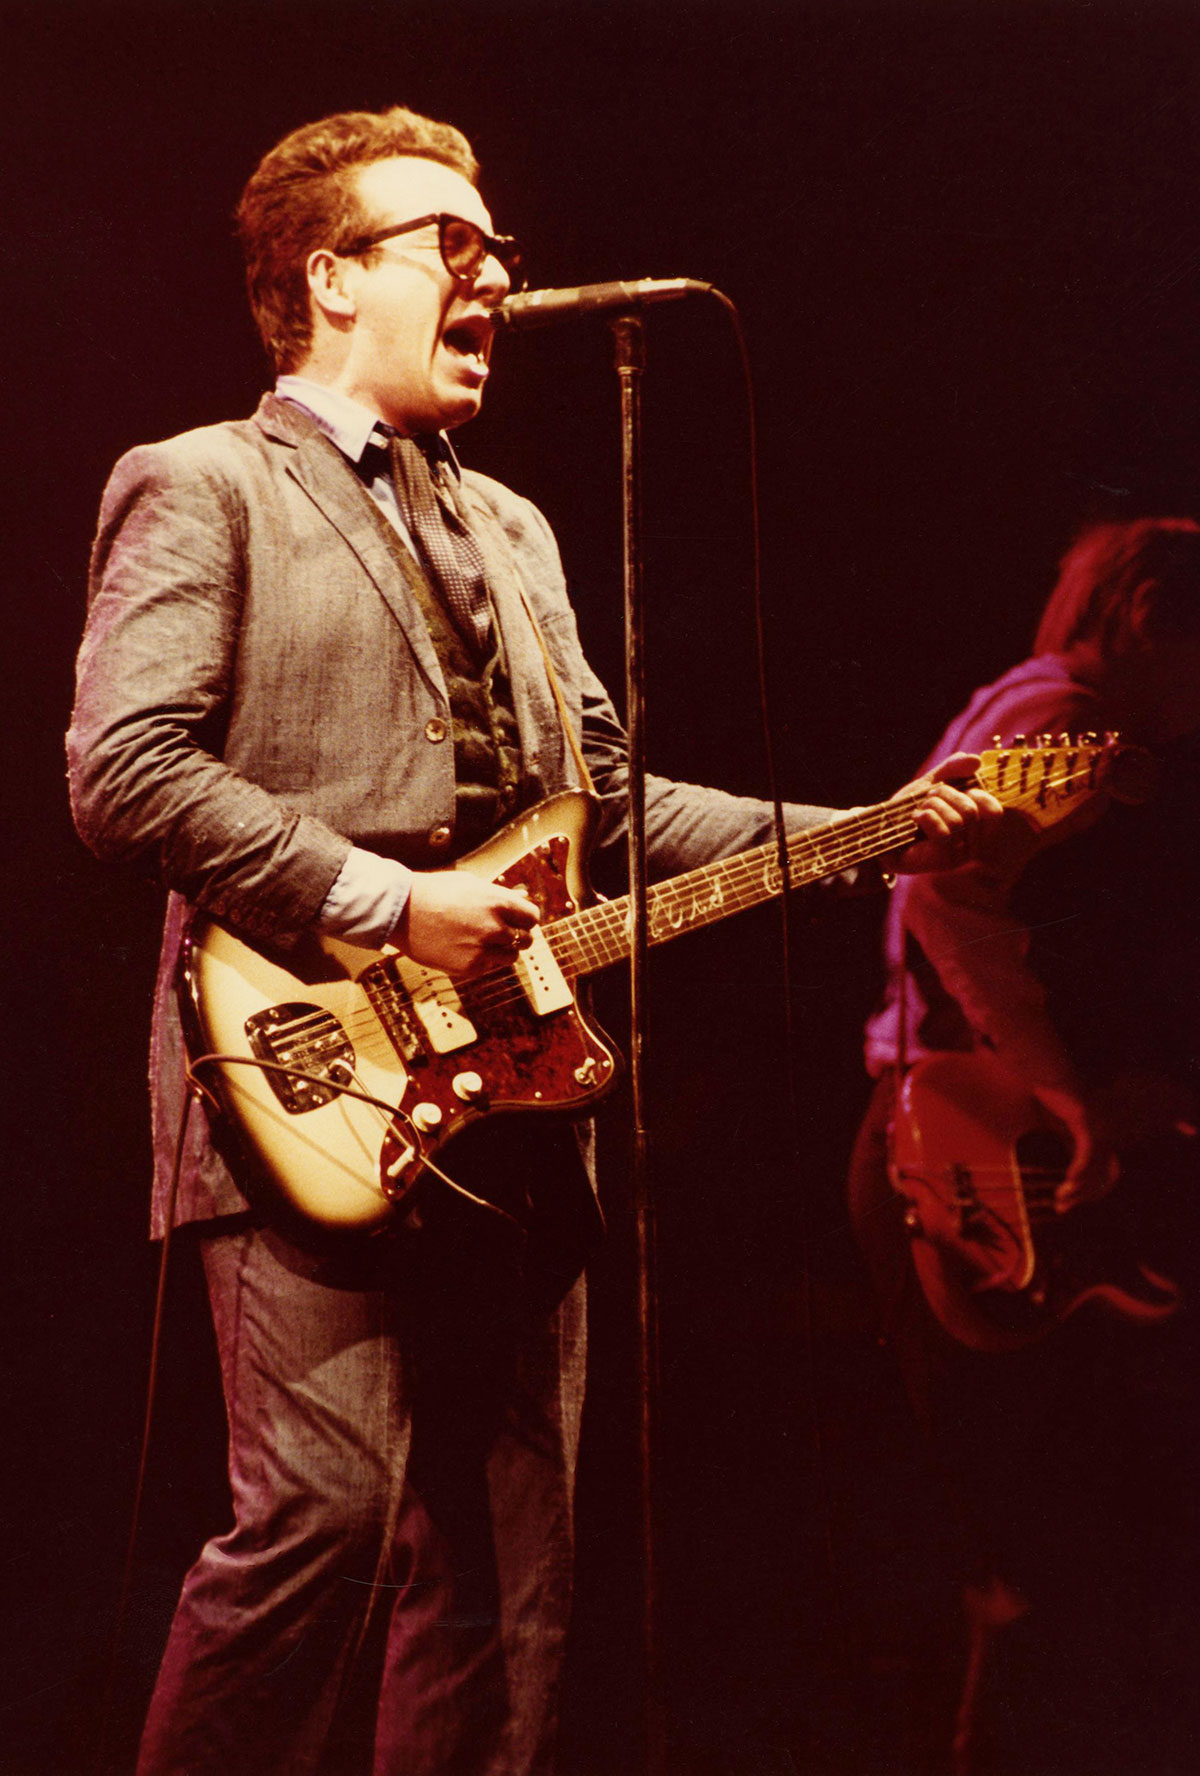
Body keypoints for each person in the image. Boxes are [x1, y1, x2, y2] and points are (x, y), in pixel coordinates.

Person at [68, 105, 997, 1776]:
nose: (496, 272)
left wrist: (873, 827)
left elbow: (609, 809)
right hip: (305, 1079)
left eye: (499, 245)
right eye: (452, 243)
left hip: (518, 1096)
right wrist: (384, 903)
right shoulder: (204, 485)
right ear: (331, 277)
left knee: (507, 1577)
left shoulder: (515, 528)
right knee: (322, 1527)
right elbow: (122, 772)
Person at [848, 517, 1200, 1771]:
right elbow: (943, 888)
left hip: (981, 1139)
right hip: (975, 1149)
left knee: (1028, 1547)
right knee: (1032, 1549)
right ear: (1153, 617)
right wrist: (1064, 1093)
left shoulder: (1036, 704)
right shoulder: (1066, 719)